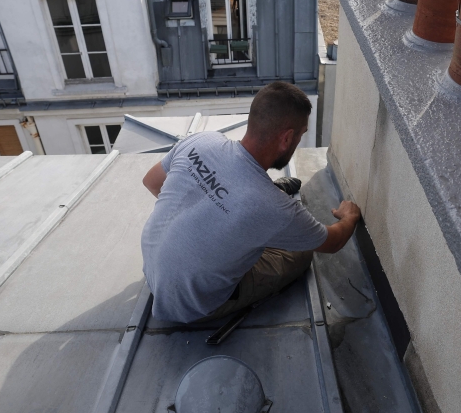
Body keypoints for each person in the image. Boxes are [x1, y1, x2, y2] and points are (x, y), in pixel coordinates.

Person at [141, 81, 361, 323]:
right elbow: (332, 241)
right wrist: (349, 216)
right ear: (287, 138)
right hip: (190, 304)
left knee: (246, 217)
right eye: (301, 134)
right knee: (301, 255)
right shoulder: (275, 208)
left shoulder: (202, 141)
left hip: (151, 268)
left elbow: (151, 182)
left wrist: (210, 211)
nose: (299, 141)